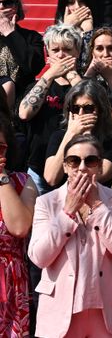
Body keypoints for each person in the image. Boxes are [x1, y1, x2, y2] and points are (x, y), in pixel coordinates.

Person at [28, 134, 112, 338]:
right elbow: (39, 257)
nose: (82, 167)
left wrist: (97, 205)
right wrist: (67, 213)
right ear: (66, 166)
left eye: (91, 161)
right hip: (60, 311)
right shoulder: (47, 202)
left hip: (106, 310)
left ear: (100, 166)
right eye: (74, 160)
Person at [19, 25, 82, 195]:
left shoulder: (86, 85)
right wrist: (49, 75)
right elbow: (24, 113)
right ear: (48, 53)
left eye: (67, 50)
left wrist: (72, 76)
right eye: (56, 50)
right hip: (38, 170)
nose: (61, 55)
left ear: (78, 52)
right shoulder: (37, 85)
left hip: (77, 169)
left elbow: (95, 108)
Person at [43, 79, 112, 190]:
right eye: (75, 109)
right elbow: (51, 178)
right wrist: (70, 134)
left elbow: (96, 176)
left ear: (101, 111)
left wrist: (87, 135)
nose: (81, 114)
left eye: (88, 108)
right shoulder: (58, 137)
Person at [0, 116, 37, 337]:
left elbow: (20, 227)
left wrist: (2, 177)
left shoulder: (23, 182)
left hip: (12, 283)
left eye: (1, 147)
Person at [0, 0, 45, 111]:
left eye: (7, 3)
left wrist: (10, 33)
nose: (2, 7)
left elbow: (33, 67)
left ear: (16, 7)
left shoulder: (32, 37)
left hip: (21, 106)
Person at [82, 28, 112, 92]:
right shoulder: (82, 72)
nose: (105, 54)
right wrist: (89, 74)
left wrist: (110, 77)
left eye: (111, 48)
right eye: (99, 49)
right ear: (92, 51)